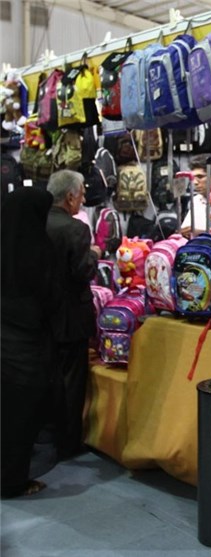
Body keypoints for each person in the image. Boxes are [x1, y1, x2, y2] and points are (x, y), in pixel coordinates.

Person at [1, 188, 56, 497]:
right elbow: (51, 299)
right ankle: (11, 481)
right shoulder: (40, 248)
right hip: (24, 346)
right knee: (19, 418)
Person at [45, 170, 102, 460]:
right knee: (72, 381)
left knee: (49, 376)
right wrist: (94, 253)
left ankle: (48, 434)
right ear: (70, 197)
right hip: (71, 316)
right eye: (81, 195)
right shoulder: (75, 229)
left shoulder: (36, 223)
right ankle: (68, 442)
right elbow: (83, 272)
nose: (82, 200)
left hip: (43, 314)